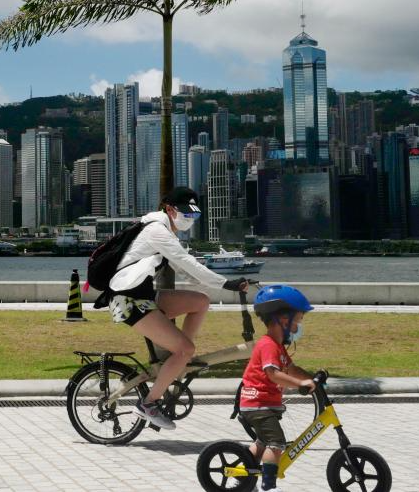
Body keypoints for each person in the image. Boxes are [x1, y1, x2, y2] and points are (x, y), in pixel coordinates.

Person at [107, 186, 248, 430]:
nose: (190, 219)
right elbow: (186, 261)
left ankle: (180, 359)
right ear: (169, 209)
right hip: (129, 301)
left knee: (200, 301)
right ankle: (148, 404)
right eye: (186, 213)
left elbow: (185, 271)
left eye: (194, 215)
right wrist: (226, 283)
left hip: (145, 296)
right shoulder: (156, 230)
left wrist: (225, 283)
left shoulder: (165, 232)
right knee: (185, 349)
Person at [238, 285, 316, 492]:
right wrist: (300, 384)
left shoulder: (278, 346)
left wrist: (313, 379)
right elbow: (272, 373)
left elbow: (291, 369)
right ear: (283, 319)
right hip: (257, 404)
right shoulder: (268, 345)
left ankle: (242, 481)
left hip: (263, 404)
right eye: (298, 320)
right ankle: (268, 487)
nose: (298, 326)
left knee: (262, 443)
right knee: (276, 443)